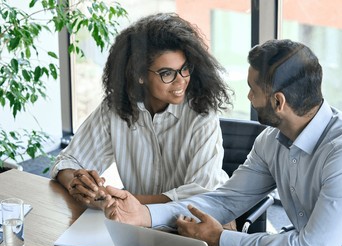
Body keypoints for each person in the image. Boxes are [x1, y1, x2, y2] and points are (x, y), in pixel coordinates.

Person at [100, 39, 342, 246]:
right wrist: (145, 215)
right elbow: (225, 201)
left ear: (278, 102)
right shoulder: (271, 140)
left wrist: (219, 238)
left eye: (253, 89)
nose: (248, 97)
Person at [50, 13, 233, 208]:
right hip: (137, 223)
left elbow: (199, 194)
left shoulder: (202, 113)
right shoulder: (116, 106)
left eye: (185, 68)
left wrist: (122, 201)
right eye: (167, 73)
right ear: (139, 75)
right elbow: (68, 161)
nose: (181, 80)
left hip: (194, 221)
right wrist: (79, 183)